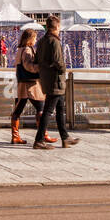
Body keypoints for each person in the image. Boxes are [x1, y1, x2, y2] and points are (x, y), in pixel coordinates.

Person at [32, 15, 77, 149]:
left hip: (46, 79)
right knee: (48, 110)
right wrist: (63, 69)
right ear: (57, 27)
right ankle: (39, 140)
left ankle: (65, 138)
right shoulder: (54, 41)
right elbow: (59, 61)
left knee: (60, 108)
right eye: (59, 27)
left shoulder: (41, 41)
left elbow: (36, 61)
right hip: (56, 80)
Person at [10, 27, 56, 146]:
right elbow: (29, 66)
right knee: (41, 109)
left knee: (18, 110)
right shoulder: (27, 50)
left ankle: (16, 136)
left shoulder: (21, 49)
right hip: (30, 85)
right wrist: (41, 67)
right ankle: (43, 135)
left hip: (23, 84)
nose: (36, 40)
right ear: (30, 39)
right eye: (35, 38)